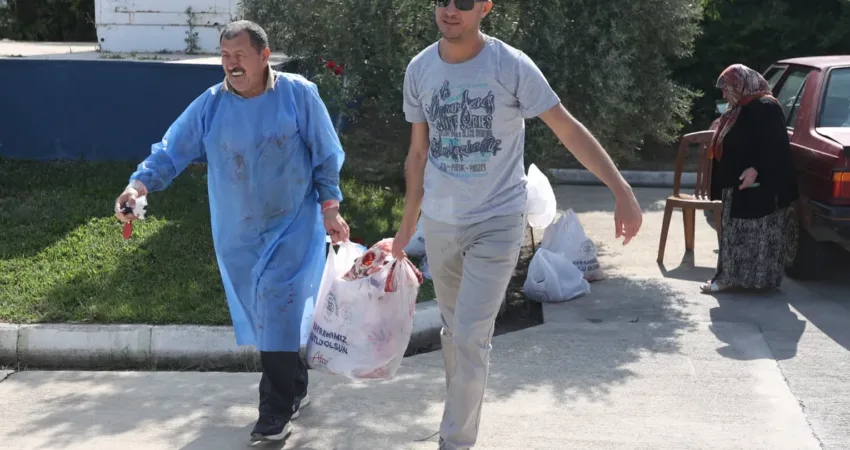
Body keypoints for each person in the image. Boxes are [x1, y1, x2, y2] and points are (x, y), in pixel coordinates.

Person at [391, 1, 644, 448]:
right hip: (442, 222)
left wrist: (620, 189)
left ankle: (455, 440)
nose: (451, 10)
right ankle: (459, 415)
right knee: (455, 332)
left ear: (485, 7)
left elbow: (566, 128)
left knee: (470, 334)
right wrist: (408, 223)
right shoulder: (420, 69)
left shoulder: (509, 65)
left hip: (497, 219)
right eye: (443, 0)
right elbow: (417, 153)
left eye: (464, 3)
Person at [113, 20, 350, 443]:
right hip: (238, 233)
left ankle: (273, 413)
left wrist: (330, 208)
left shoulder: (298, 95)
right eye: (225, 56)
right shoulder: (211, 105)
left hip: (293, 225)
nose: (231, 64)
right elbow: (171, 150)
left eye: (239, 55)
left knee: (278, 303)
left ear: (264, 55)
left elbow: (325, 154)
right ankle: (294, 385)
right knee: (269, 314)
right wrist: (137, 186)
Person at [702, 64, 799, 293]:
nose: (724, 94)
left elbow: (776, 146)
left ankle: (758, 281)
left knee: (760, 234)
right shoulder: (738, 108)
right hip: (738, 186)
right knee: (735, 235)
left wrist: (756, 168)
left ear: (741, 85)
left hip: (761, 186)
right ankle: (730, 279)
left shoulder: (766, 107)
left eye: (728, 88)